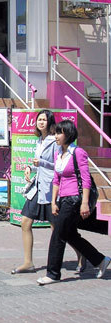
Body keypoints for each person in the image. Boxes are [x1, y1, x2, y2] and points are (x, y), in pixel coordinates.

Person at [37, 120, 110, 285]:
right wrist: (54, 201)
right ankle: (100, 260)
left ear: (68, 134)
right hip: (62, 199)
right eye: (55, 133)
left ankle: (53, 274)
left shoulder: (78, 153)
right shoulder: (59, 154)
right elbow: (56, 179)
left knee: (58, 235)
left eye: (59, 133)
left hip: (75, 200)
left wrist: (85, 203)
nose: (56, 136)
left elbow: (86, 180)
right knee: (69, 235)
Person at [12, 110, 61, 274]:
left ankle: (80, 255)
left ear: (50, 122)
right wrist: (29, 167)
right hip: (38, 188)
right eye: (39, 119)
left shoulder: (55, 141)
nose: (41, 122)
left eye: (44, 120)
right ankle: (28, 263)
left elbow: (59, 167)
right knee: (25, 222)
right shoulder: (39, 140)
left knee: (58, 228)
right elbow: (38, 164)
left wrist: (41, 163)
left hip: (51, 190)